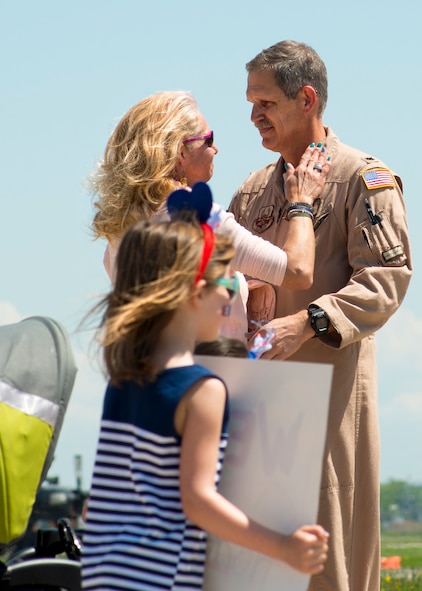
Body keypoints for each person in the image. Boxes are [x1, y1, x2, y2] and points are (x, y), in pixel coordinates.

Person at [228, 40, 412, 591]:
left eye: (265, 102)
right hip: (258, 412)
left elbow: (387, 278)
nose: (253, 115)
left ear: (306, 99)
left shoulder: (363, 178)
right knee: (258, 571)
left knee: (330, 562)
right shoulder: (250, 191)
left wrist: (307, 321)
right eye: (250, 102)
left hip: (331, 403)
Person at [81, 184, 329, 591]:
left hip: (104, 573)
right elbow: (197, 501)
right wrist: (283, 548)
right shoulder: (202, 391)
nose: (233, 293)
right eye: (227, 283)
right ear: (197, 295)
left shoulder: (125, 376)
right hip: (160, 578)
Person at [89, 90, 330, 339]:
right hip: (202, 371)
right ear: (180, 153)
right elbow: (297, 272)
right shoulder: (201, 219)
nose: (215, 149)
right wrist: (301, 201)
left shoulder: (119, 232)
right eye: (208, 139)